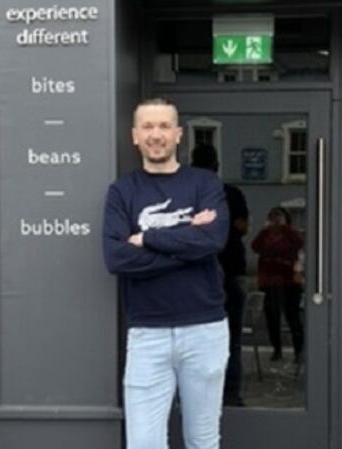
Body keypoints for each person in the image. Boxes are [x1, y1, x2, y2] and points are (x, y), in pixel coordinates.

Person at [102, 98, 230, 449]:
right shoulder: (122, 192)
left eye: (163, 127)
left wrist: (147, 239)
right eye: (147, 127)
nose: (155, 135)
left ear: (178, 134)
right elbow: (116, 258)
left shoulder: (205, 184)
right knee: (144, 444)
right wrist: (189, 244)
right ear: (134, 136)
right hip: (147, 334)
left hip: (205, 331)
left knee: (202, 441)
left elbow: (214, 239)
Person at [190, 143, 249, 407]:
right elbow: (243, 227)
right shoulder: (231, 193)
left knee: (192, 340)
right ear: (217, 166)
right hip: (230, 274)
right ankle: (230, 393)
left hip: (193, 275)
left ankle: (197, 397)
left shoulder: (187, 194)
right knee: (231, 338)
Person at [251, 207, 304, 363]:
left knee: (292, 315)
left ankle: (298, 351)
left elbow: (299, 243)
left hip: (289, 280)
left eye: (278, 217)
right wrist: (265, 230)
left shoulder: (290, 234)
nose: (275, 220)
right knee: (272, 315)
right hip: (269, 280)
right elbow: (255, 246)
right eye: (272, 216)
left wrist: (284, 228)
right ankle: (277, 349)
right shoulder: (266, 234)